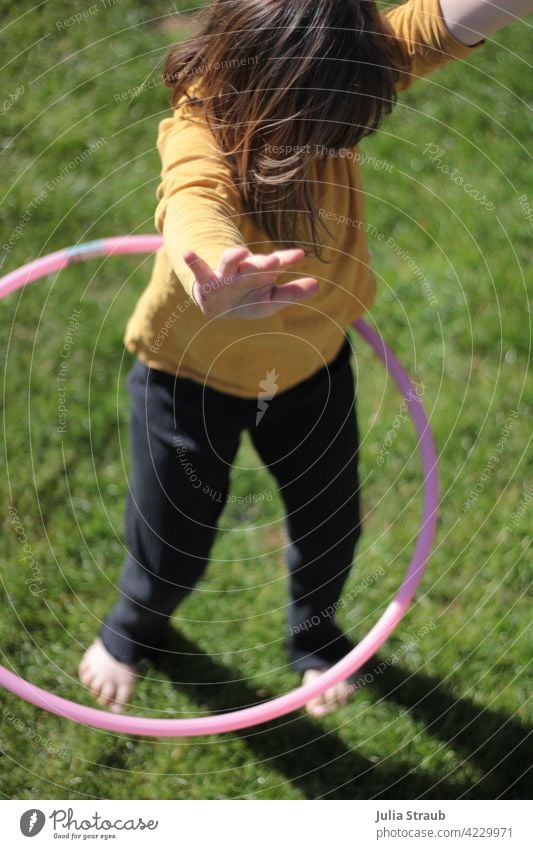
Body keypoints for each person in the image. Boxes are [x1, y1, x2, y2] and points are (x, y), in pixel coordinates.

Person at [79, 0, 529, 716]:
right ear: (255, 86)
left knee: (329, 522)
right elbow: (193, 195)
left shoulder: (334, 65)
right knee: (173, 537)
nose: (330, 146)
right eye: (316, 134)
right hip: (185, 376)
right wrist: (216, 265)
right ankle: (132, 628)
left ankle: (314, 640)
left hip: (313, 363)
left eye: (339, 135)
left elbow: (438, 22)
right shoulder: (202, 121)